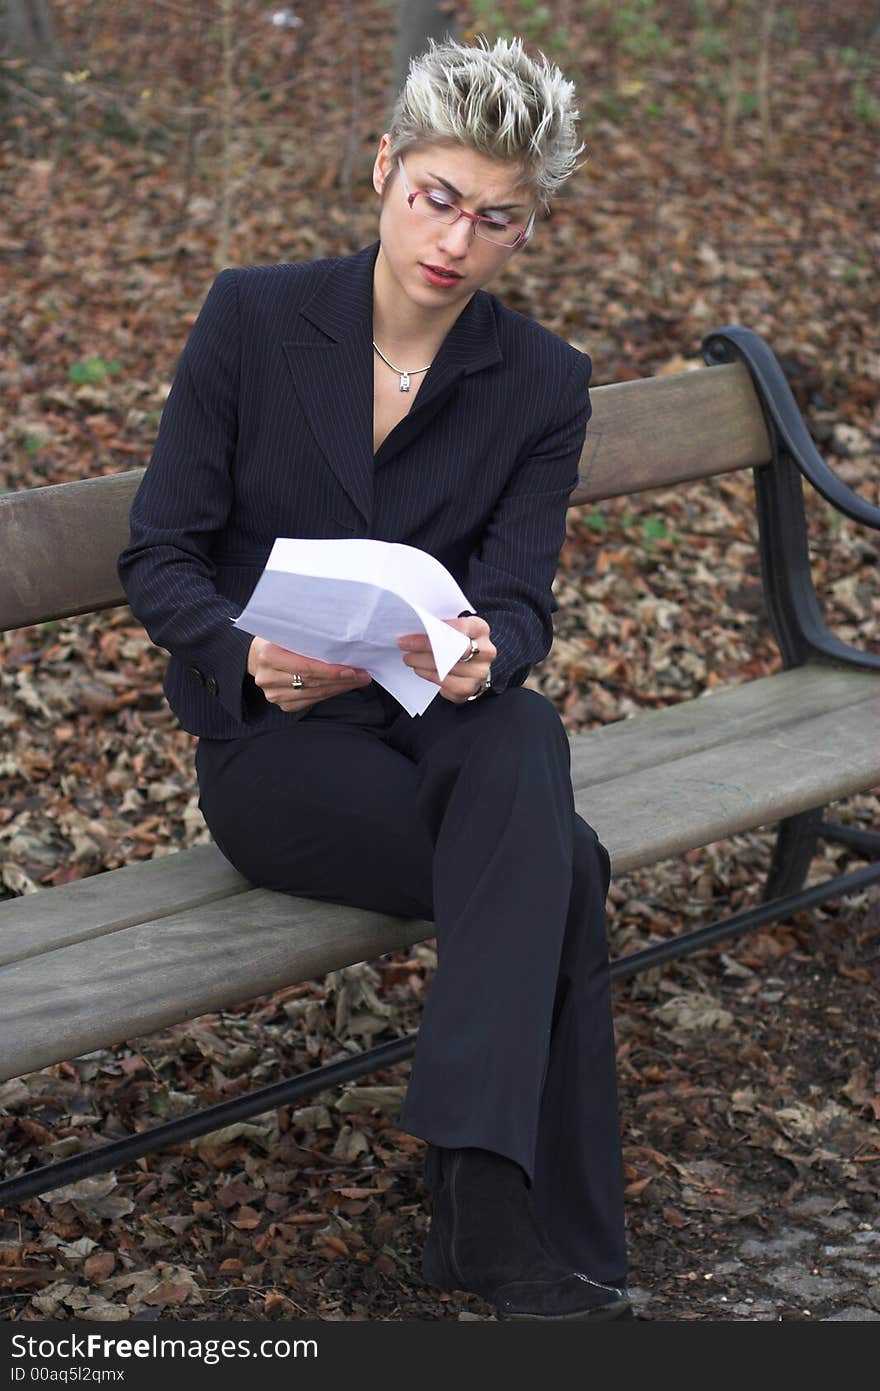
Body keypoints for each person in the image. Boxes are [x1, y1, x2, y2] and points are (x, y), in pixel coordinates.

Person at [118, 35, 631, 1322]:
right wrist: (242, 649)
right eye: (437, 198)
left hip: (433, 722)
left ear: (531, 226)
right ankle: (494, 1213)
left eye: (496, 218)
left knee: (520, 729)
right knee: (557, 862)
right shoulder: (254, 315)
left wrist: (482, 649)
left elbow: (519, 598)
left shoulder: (543, 383)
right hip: (276, 750)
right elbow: (159, 551)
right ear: (386, 167)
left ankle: (485, 1200)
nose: (457, 239)